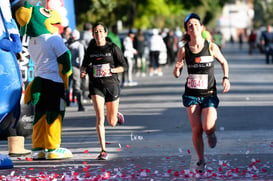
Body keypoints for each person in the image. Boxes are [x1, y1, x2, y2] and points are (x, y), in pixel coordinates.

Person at [173, 13, 230, 172]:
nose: (193, 27)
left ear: (201, 27)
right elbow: (177, 74)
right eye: (190, 26)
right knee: (197, 129)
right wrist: (177, 68)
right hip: (191, 94)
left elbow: (224, 62)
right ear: (187, 30)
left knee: (208, 126)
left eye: (196, 24)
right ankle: (201, 159)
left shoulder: (211, 46)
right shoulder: (183, 50)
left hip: (209, 93)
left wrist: (226, 78)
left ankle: (211, 133)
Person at [80, 22, 127, 160]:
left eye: (101, 31)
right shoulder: (91, 47)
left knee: (111, 122)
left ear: (105, 33)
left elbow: (123, 66)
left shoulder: (112, 48)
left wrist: (111, 70)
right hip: (96, 86)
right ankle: (103, 150)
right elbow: (84, 64)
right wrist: (83, 72)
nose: (98, 34)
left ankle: (115, 114)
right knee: (100, 118)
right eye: (96, 32)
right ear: (93, 34)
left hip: (111, 85)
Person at [68, 29, 85, 111]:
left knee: (67, 86)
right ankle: (80, 105)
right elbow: (81, 57)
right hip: (75, 67)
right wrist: (82, 67)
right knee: (77, 86)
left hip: (67, 67)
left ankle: (66, 103)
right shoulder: (79, 45)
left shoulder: (67, 44)